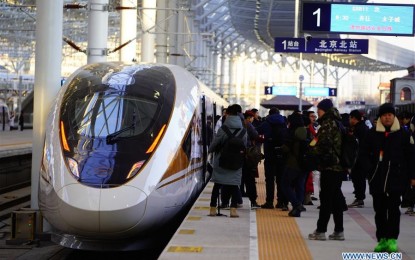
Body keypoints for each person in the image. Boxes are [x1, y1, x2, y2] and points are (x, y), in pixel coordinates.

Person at [360, 103, 415, 252]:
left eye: (390, 115)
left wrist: (412, 176)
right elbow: (363, 154)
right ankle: (382, 239)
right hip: (377, 179)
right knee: (379, 211)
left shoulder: (403, 134)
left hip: (397, 179)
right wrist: (370, 170)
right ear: (380, 117)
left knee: (393, 211)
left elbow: (411, 157)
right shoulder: (372, 134)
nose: (387, 117)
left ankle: (392, 240)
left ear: (394, 116)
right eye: (384, 115)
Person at [308, 98, 346, 241]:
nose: (317, 113)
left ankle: (321, 230)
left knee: (326, 200)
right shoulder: (338, 122)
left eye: (319, 110)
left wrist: (312, 151)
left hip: (330, 166)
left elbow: (324, 144)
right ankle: (338, 231)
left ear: (324, 110)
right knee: (336, 200)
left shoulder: (328, 124)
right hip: (337, 167)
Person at [208, 104, 247, 218]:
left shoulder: (223, 129)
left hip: (222, 161)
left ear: (228, 114)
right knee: (234, 186)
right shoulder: (243, 131)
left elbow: (214, 144)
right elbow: (244, 146)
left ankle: (212, 209)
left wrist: (210, 150)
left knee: (217, 186)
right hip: (236, 162)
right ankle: (233, 211)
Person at [257, 107, 289, 210]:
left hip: (270, 154)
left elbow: (258, 131)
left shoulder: (266, 122)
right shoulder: (284, 121)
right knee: (281, 180)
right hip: (281, 155)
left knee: (270, 180)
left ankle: (269, 202)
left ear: (269, 114)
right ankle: (281, 202)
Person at [281, 112, 308, 217]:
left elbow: (287, 148)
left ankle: (296, 205)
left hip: (293, 163)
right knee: (300, 185)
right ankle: (298, 209)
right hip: (305, 164)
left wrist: (280, 149)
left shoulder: (291, 132)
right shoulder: (306, 131)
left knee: (285, 184)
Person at [347, 109, 369, 208]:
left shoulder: (359, 129)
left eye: (350, 118)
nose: (349, 120)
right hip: (362, 157)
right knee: (359, 179)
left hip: (359, 158)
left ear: (354, 118)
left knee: (358, 178)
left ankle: (359, 199)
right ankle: (360, 198)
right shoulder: (363, 127)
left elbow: (356, 145)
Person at [241, 110, 261, 209]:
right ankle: (253, 200)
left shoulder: (239, 123)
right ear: (250, 118)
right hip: (247, 156)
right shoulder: (248, 124)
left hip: (237, 155)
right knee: (249, 179)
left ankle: (234, 201)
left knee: (239, 179)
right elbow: (255, 135)